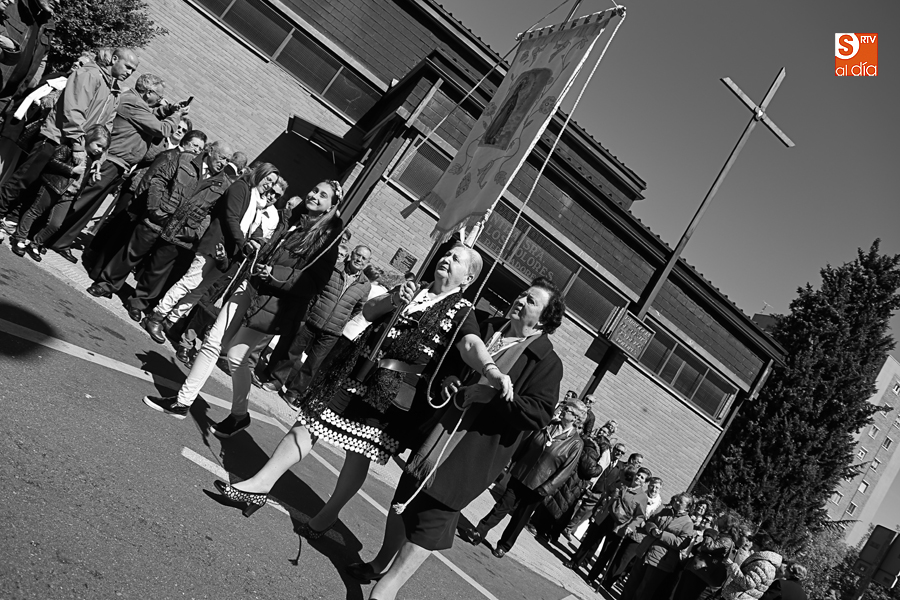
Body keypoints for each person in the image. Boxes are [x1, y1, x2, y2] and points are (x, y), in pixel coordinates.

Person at [210, 246, 507, 544]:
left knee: (358, 453)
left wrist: (491, 369)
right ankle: (259, 486)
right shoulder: (414, 287)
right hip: (355, 368)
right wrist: (394, 298)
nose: (446, 259)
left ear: (468, 278)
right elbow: (368, 311)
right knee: (309, 422)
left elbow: (470, 344)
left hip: (388, 393)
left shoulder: (462, 311)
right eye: (447, 254)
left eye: (456, 259)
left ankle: (329, 513)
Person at [358, 278, 566, 599]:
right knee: (404, 500)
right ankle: (380, 561)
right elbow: (448, 360)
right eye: (523, 294)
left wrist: (490, 397)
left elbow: (538, 414)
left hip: (471, 453)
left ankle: (387, 589)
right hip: (435, 435)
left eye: (532, 301)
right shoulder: (488, 327)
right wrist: (450, 379)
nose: (521, 299)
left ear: (543, 320)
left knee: (431, 521)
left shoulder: (547, 363)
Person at [141, 177, 343, 435]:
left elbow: (314, 282)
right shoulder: (293, 218)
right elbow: (272, 247)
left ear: (331, 207)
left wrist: (275, 274)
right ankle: (182, 402)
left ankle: (239, 416)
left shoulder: (327, 240)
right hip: (250, 284)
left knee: (236, 357)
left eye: (323, 195)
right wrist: (259, 249)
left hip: (271, 303)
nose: (314, 195)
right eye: (314, 189)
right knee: (213, 341)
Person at [85, 140, 233, 321]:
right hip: (157, 218)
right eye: (222, 157)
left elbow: (212, 214)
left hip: (181, 232)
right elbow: (159, 179)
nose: (224, 163)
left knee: (157, 270)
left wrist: (195, 232)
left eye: (228, 160)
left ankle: (137, 303)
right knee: (131, 253)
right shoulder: (184, 159)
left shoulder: (223, 185)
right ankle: (107, 284)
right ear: (210, 150)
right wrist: (154, 208)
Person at [49, 71, 188, 262]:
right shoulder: (132, 102)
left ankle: (62, 240)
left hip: (119, 163)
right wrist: (177, 115)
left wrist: (170, 109)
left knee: (90, 206)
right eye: (159, 96)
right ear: (148, 92)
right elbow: (161, 128)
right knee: (83, 201)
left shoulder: (139, 104)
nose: (161, 100)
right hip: (111, 160)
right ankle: (51, 234)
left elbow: (152, 116)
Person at [0, 47, 137, 236]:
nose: (129, 73)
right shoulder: (89, 74)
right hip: (55, 137)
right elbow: (73, 112)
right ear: (114, 59)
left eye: (133, 70)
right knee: (24, 179)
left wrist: (100, 156)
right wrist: (78, 146)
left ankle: (11, 219)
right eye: (127, 66)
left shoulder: (114, 91)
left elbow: (107, 126)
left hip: (76, 146)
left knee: (40, 187)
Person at [140, 158, 277, 343]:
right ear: (259, 174)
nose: (269, 185)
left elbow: (255, 226)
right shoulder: (241, 188)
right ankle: (156, 316)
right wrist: (243, 243)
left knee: (200, 290)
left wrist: (256, 241)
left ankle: (171, 320)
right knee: (190, 282)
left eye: (273, 183)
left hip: (230, 253)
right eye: (268, 179)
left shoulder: (258, 203)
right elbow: (231, 218)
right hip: (216, 244)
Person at [461, 396, 586, 558]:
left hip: (539, 485)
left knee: (520, 518)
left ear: (575, 417)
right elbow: (527, 442)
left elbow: (566, 471)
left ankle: (504, 545)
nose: (562, 410)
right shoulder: (549, 425)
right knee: (502, 505)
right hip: (522, 473)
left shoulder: (576, 443)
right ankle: (479, 531)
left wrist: (547, 488)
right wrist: (514, 463)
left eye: (567, 409)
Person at [82, 129, 207, 280]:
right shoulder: (170, 156)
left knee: (124, 244)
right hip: (141, 206)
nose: (197, 150)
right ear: (185, 142)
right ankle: (96, 268)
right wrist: (138, 204)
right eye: (194, 145)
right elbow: (148, 178)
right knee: (117, 239)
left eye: (200, 148)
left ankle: (102, 271)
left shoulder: (187, 164)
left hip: (149, 212)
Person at [262, 244, 373, 404]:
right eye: (358, 255)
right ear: (352, 254)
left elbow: (358, 307)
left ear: (367, 262)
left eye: (364, 258)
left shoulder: (365, 285)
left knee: (312, 365)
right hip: (312, 319)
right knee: (292, 352)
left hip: (333, 331)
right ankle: (276, 381)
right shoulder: (334, 268)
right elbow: (316, 290)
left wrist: (342, 319)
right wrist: (313, 308)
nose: (359, 260)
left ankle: (293, 393)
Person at [8, 123, 109, 260]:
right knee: (35, 211)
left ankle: (35, 243)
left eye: (103, 148)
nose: (100, 150)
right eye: (98, 145)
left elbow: (82, 180)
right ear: (89, 139)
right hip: (54, 186)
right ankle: (19, 237)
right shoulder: (70, 149)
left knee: (55, 224)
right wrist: (72, 170)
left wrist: (92, 177)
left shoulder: (91, 160)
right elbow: (52, 161)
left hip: (69, 194)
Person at [0, 0, 56, 182]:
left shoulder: (48, 24)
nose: (58, 1)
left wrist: (33, 82)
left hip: (9, 98)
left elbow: (42, 57)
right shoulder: (10, 5)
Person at [564, 466, 649, 581]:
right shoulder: (622, 483)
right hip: (606, 515)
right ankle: (574, 562)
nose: (638, 478)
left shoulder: (642, 497)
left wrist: (630, 526)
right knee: (590, 540)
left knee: (606, 551)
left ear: (644, 483)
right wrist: (609, 497)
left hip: (619, 524)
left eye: (642, 477)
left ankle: (591, 577)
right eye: (638, 475)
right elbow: (608, 490)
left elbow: (639, 516)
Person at [530, 421, 604, 543]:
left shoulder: (586, 445)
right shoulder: (590, 449)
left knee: (556, 504)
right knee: (554, 503)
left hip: (573, 481)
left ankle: (541, 527)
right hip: (571, 481)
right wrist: (600, 467)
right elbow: (589, 469)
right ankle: (536, 525)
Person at [620, 492, 695, 600]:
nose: (677, 502)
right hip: (645, 550)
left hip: (660, 560)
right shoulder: (664, 511)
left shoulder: (688, 523)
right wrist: (652, 529)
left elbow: (682, 543)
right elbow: (650, 521)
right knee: (632, 582)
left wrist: (662, 535)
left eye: (681, 502)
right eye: (677, 499)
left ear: (687, 507)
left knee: (644, 590)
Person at [673, 512, 745, 600]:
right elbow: (698, 548)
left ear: (726, 526)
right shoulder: (720, 537)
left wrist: (709, 532)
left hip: (700, 577)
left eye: (721, 520)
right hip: (695, 573)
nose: (718, 520)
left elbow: (708, 546)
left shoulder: (727, 541)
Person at [564, 441, 628, 539]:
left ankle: (569, 528)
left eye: (622, 452)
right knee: (573, 505)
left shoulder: (620, 467)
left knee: (583, 512)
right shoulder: (604, 458)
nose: (619, 453)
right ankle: (563, 523)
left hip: (600, 493)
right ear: (613, 449)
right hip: (590, 486)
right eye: (618, 450)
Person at [721, 533, 783, 600]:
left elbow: (748, 583)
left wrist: (732, 566)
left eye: (755, 545)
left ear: (762, 547)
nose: (752, 548)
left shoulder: (764, 565)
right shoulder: (764, 562)